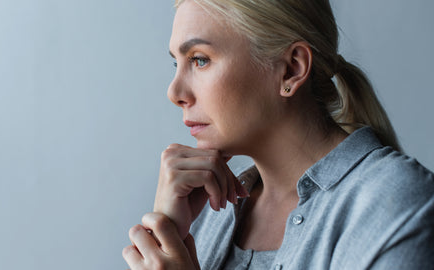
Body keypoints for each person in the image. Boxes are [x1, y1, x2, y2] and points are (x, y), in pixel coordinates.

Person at [122, 0, 434, 269]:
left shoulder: (398, 206)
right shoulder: (205, 209)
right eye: (177, 63)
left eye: (200, 60)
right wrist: (167, 234)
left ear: (291, 69)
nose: (174, 92)